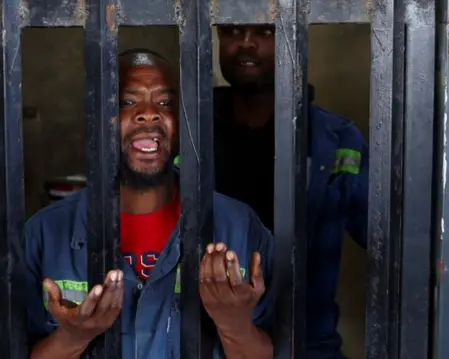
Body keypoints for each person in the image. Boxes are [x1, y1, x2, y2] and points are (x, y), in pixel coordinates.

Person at [24, 48, 275, 359]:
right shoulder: (44, 234)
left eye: (165, 103)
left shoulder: (238, 225)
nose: (148, 113)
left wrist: (234, 326)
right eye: (127, 102)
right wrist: (72, 338)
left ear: (184, 122)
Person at [213, 25, 369, 358]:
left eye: (266, 31)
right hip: (203, 339)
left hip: (306, 343)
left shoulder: (337, 140)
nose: (246, 42)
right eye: (232, 30)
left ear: (292, 39)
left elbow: (395, 241)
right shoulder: (189, 134)